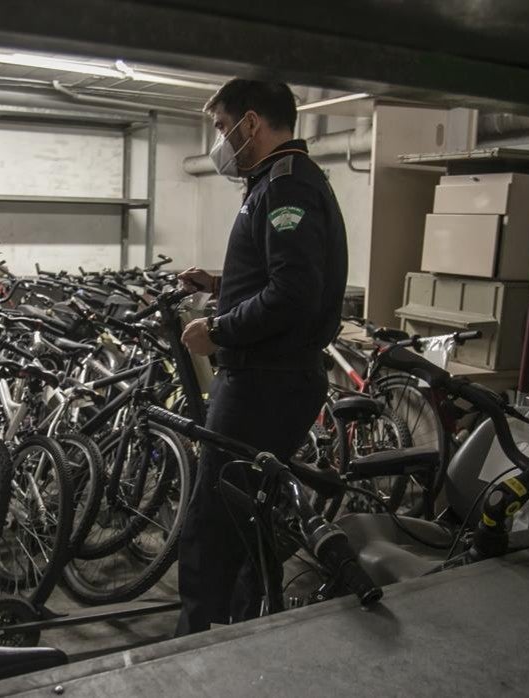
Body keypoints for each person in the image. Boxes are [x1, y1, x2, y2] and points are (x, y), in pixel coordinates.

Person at [175, 78, 352, 634]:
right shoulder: (276, 183)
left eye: (224, 128)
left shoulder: (286, 186)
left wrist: (219, 329)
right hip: (273, 377)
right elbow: (281, 276)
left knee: (214, 520)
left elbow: (293, 296)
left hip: (264, 381)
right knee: (249, 512)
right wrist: (224, 282)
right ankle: (249, 626)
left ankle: (196, 645)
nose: (221, 141)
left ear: (252, 123)